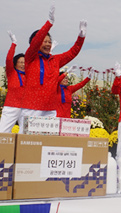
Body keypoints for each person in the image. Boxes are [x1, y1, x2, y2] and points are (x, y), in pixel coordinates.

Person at [18, 4, 87, 133]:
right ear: (37, 43)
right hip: (31, 107)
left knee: (47, 144)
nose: (48, 43)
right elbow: (35, 43)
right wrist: (49, 23)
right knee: (26, 143)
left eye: (49, 41)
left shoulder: (55, 60)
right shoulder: (30, 57)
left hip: (50, 109)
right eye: (44, 41)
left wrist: (81, 37)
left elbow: (73, 52)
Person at [0, 31, 25, 133]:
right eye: (20, 62)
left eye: (25, 62)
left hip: (25, 108)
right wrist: (14, 43)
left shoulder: (30, 76)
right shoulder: (11, 73)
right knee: (3, 132)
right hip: (11, 106)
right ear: (15, 64)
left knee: (26, 133)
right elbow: (8, 59)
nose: (23, 64)